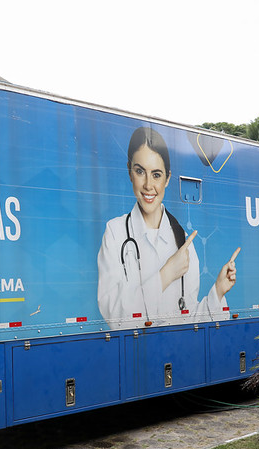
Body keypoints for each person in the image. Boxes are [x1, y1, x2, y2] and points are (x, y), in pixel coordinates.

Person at [97, 126, 240, 323]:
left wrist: (218, 290)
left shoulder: (182, 240)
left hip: (176, 346)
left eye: (156, 174)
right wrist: (166, 274)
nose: (148, 185)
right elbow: (115, 318)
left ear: (167, 179)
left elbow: (190, 318)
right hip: (137, 347)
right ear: (130, 172)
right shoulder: (115, 232)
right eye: (140, 171)